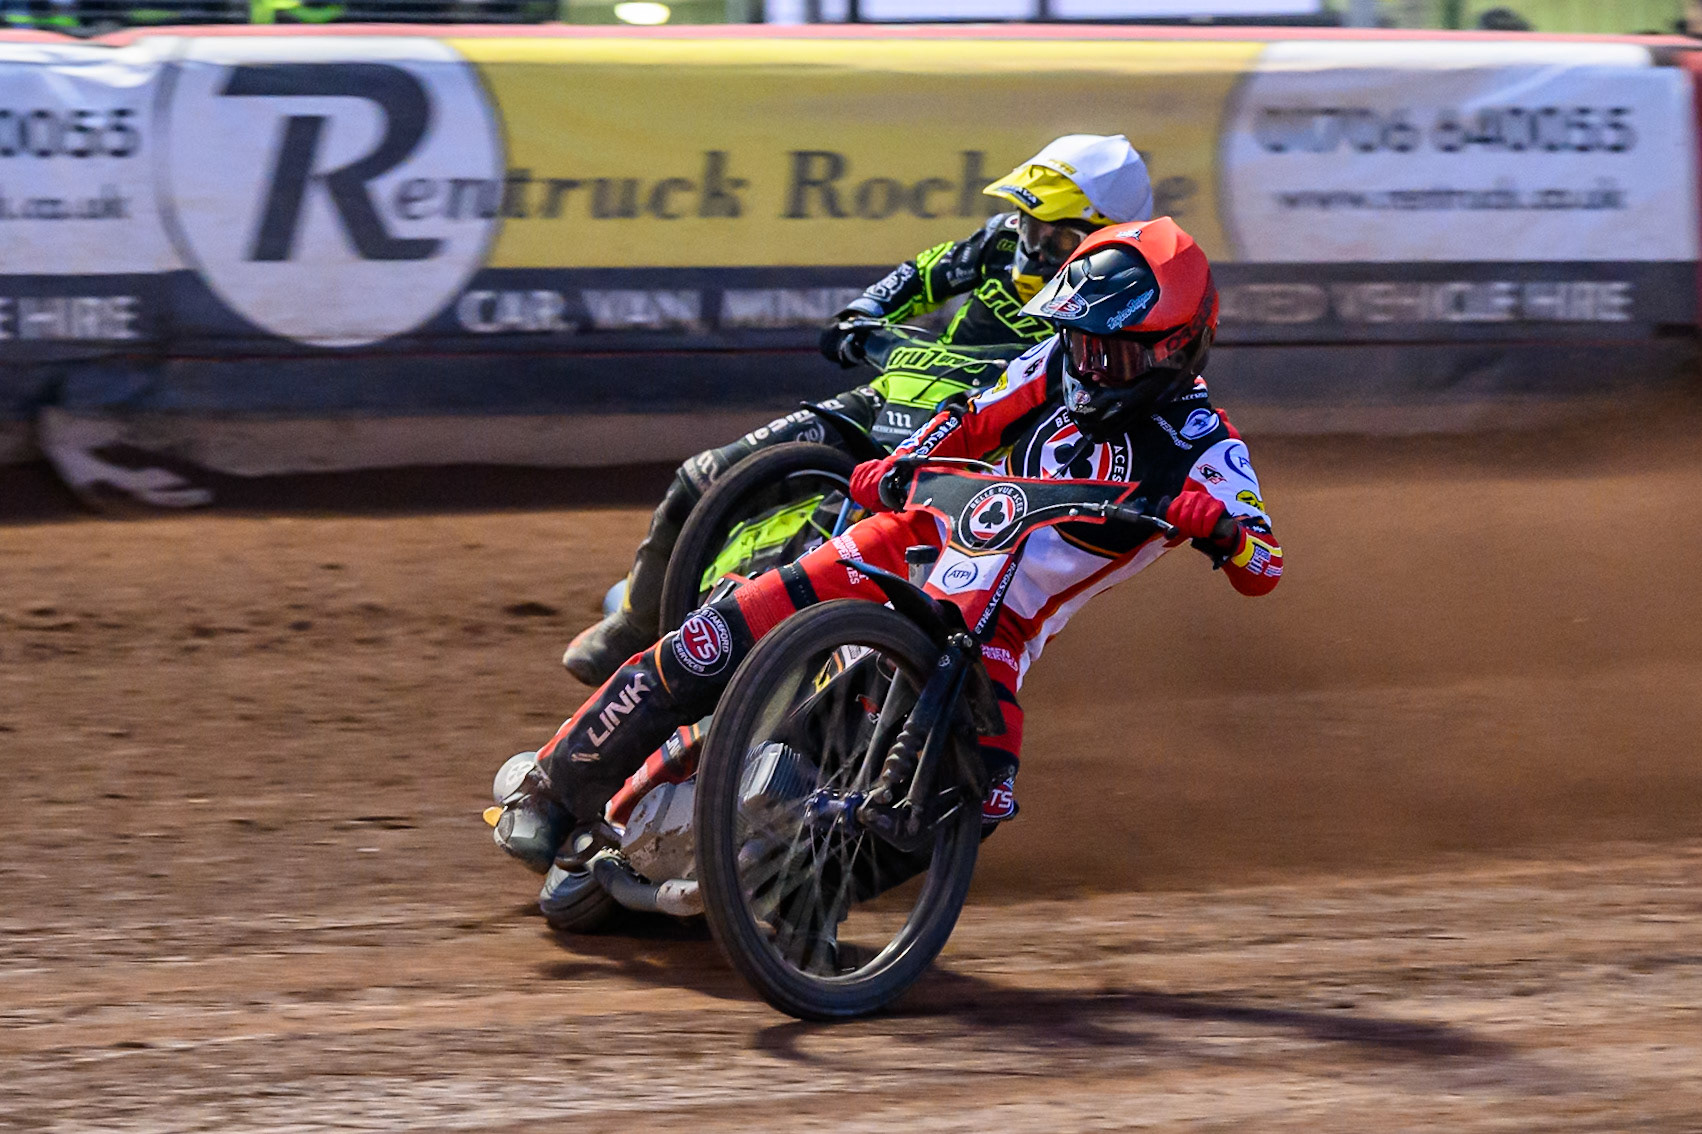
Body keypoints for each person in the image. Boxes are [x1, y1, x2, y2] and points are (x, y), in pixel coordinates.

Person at [495, 216, 1283, 878]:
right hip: (916, 535)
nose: (1085, 363)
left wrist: (1219, 531)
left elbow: (1264, 564)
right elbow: (971, 418)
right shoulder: (1054, 360)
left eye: (1108, 350)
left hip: (999, 630)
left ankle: (798, 904)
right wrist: (905, 463)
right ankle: (551, 786)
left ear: (1175, 349)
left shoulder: (1208, 449)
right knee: (715, 635)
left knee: (975, 800)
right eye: (1077, 341)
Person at [561, 133, 1157, 685]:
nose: (1032, 244)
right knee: (705, 475)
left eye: (1054, 234)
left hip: (981, 449)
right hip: (894, 396)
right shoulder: (999, 241)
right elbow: (922, 274)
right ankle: (635, 627)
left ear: (1102, 235)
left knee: (904, 581)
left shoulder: (1120, 302)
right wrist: (861, 315)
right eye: (1030, 224)